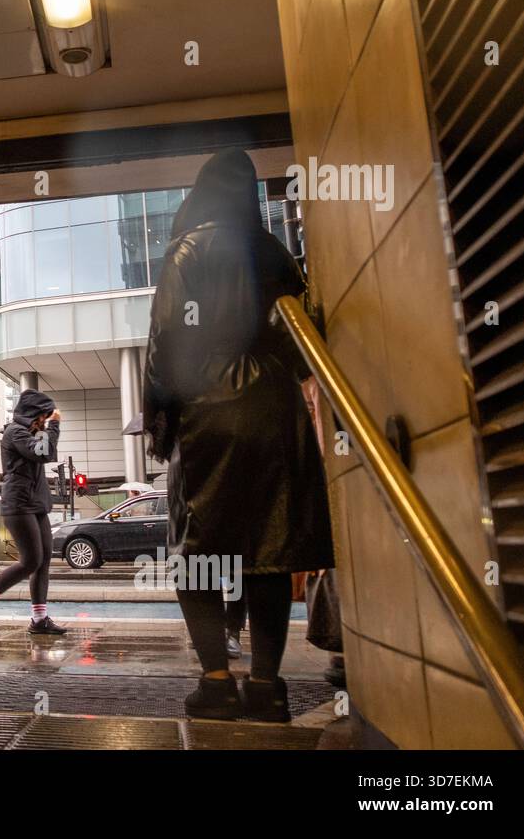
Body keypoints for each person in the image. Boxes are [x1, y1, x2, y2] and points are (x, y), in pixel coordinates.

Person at [142, 147, 333, 722]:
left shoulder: (187, 248)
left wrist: (161, 419)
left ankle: (217, 682)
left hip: (209, 415)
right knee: (270, 552)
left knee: (198, 554)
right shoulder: (277, 252)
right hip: (275, 412)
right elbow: (307, 342)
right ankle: (268, 686)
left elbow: (167, 340)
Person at [0, 389, 67, 636]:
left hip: (36, 504)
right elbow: (43, 453)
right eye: (43, 416)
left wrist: (48, 428)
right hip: (18, 503)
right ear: (35, 414)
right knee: (31, 560)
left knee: (44, 561)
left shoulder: (32, 433)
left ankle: (39, 619)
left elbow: (44, 451)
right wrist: (54, 426)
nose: (46, 420)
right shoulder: (15, 432)